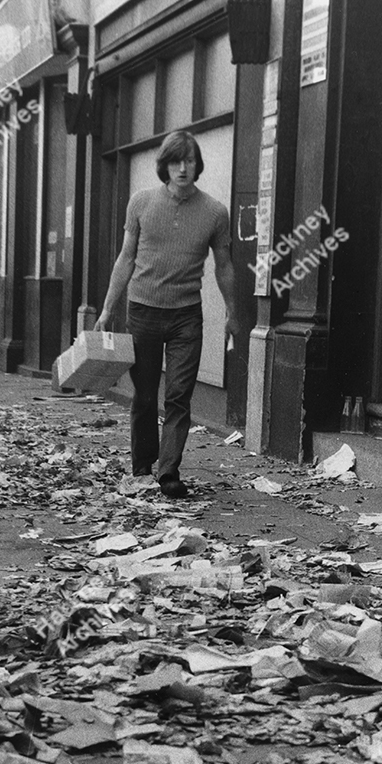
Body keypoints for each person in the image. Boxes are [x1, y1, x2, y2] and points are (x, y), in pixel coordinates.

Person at [95, 129, 239, 498]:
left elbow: (224, 266)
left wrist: (233, 313)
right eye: (176, 161)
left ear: (198, 165)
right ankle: (142, 466)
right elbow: (126, 258)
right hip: (142, 311)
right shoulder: (141, 203)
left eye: (190, 160)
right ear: (165, 165)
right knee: (144, 395)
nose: (183, 168)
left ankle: (168, 471)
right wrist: (109, 308)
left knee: (178, 395)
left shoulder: (214, 212)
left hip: (186, 317)